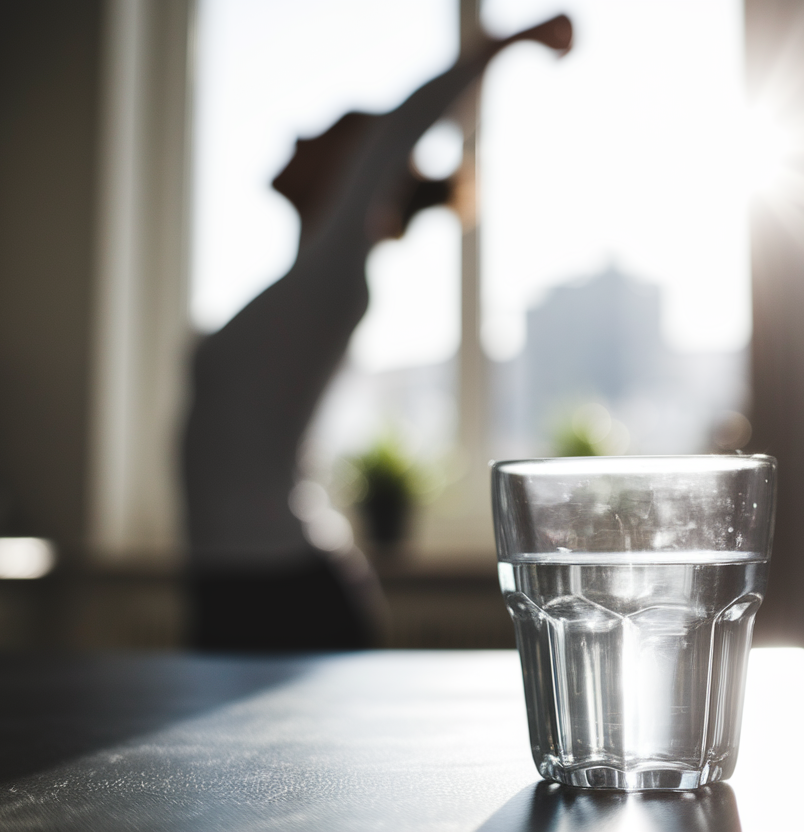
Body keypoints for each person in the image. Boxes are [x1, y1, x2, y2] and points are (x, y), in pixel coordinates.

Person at [183, 16, 573, 651]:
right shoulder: (298, 285)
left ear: (351, 172)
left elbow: (396, 131)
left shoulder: (335, 274)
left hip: (280, 593)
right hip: (230, 586)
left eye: (326, 133)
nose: (299, 134)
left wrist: (505, 44)